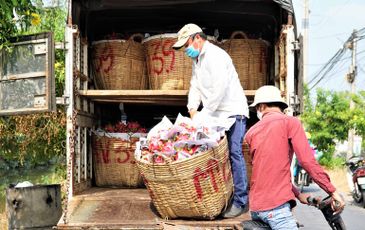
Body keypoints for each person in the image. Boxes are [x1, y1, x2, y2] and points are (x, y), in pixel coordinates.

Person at [172, 23, 250, 218]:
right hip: (215, 114)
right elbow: (195, 86)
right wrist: (191, 109)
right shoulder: (197, 60)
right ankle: (217, 196)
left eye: (186, 45)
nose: (185, 50)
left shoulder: (216, 56)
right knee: (212, 153)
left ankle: (240, 201)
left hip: (233, 111)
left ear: (197, 38)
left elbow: (219, 91)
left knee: (234, 153)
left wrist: (203, 116)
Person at [244, 85, 345, 230]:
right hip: (277, 210)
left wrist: (298, 194)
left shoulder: (251, 133)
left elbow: (266, 172)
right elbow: (307, 161)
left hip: (256, 209)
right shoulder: (290, 122)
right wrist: (332, 191)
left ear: (262, 106)